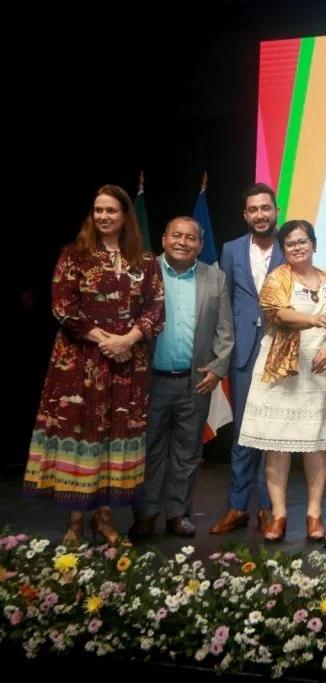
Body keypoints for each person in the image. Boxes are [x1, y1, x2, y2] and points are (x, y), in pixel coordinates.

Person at [24, 184, 165, 546]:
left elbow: (155, 308)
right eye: (98, 210)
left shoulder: (145, 261)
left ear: (125, 216)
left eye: (111, 210)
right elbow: (63, 307)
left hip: (126, 366)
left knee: (112, 438)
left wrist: (128, 340)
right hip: (79, 364)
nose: (103, 216)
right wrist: (107, 341)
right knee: (81, 436)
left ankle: (104, 519)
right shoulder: (74, 255)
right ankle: (74, 522)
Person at [130, 217, 234, 541]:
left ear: (200, 245)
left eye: (191, 238)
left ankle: (177, 514)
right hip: (150, 381)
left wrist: (217, 369)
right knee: (148, 451)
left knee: (187, 454)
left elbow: (225, 330)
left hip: (196, 382)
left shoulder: (214, 277)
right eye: (177, 235)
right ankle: (146, 514)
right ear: (164, 239)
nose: (183, 242)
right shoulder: (144, 272)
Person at [238, 220, 326, 541]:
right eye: (290, 244)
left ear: (314, 244)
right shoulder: (277, 278)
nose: (297, 247)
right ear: (284, 250)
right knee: (277, 445)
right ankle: (279, 514)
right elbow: (278, 313)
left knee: (316, 444)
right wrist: (314, 319)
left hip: (318, 370)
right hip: (280, 372)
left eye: (302, 241)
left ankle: (314, 514)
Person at [210, 183, 284, 534]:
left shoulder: (291, 246)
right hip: (242, 350)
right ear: (245, 215)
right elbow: (225, 302)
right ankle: (237, 507)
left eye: (265, 208)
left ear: (276, 211)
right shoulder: (231, 249)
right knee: (243, 431)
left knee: (272, 432)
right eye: (253, 209)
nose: (260, 215)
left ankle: (269, 509)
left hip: (281, 350)